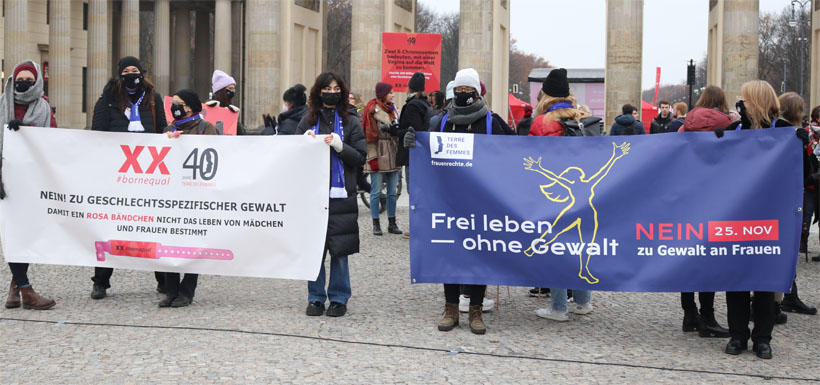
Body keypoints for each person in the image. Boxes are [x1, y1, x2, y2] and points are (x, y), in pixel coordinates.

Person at [405, 68, 511, 334]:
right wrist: (412, 142)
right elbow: (426, 147)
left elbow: (514, 151)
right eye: (460, 89)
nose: (463, 93)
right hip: (448, 200)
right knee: (449, 252)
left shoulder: (492, 121)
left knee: (479, 254)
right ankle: (450, 308)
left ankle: (476, 310)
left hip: (481, 200)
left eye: (469, 90)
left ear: (477, 92)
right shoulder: (441, 121)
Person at [289, 72, 366, 318]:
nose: (332, 92)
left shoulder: (352, 121)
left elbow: (360, 157)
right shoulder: (307, 119)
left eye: (336, 88)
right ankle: (315, 297)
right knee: (315, 249)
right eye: (327, 88)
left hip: (341, 194)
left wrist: (341, 146)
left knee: (339, 250)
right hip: (313, 194)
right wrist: (304, 142)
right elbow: (292, 153)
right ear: (319, 91)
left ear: (341, 92)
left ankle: (339, 298)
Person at [90, 56, 167, 300]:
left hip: (148, 173)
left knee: (153, 227)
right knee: (111, 228)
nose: (131, 74)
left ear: (142, 73)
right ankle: (101, 281)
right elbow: (97, 133)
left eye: (135, 70)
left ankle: (164, 280)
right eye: (126, 71)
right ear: (119, 75)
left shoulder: (153, 99)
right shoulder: (108, 99)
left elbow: (162, 130)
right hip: (117, 174)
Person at [524, 68, 598, 322]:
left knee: (556, 249)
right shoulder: (584, 118)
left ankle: (558, 307)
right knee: (579, 246)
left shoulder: (542, 123)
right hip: (585, 197)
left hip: (554, 198)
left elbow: (530, 157)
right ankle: (583, 301)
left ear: (545, 96)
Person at [722, 80, 788, 359]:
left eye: (745, 98)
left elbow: (802, 172)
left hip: (771, 216)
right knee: (736, 278)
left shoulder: (784, 130)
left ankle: (762, 338)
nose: (741, 102)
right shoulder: (734, 130)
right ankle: (737, 335)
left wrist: (800, 147)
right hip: (738, 215)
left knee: (764, 280)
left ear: (757, 100)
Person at [1, 60, 57, 310]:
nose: (24, 83)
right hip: (5, 180)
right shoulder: (2, 105)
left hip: (32, 180)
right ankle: (26, 290)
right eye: (20, 79)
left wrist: (28, 132)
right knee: (13, 234)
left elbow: (53, 140)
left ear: (37, 83)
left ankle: (15, 288)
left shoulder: (44, 108)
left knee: (26, 235)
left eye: (29, 80)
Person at [676, 85, 732, 338]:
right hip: (715, 199)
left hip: (686, 198)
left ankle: (689, 314)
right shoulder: (728, 125)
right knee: (709, 257)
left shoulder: (684, 126)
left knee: (688, 256)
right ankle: (707, 316)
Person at [158, 89, 219, 307]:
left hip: (196, 195)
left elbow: (216, 157)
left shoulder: (206, 128)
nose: (174, 107)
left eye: (179, 104)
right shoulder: (169, 129)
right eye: (173, 103)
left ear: (191, 107)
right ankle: (171, 290)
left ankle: (187, 290)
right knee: (169, 243)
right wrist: (168, 142)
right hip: (171, 194)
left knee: (193, 243)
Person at [778, 92, 817, 316]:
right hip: (787, 199)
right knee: (787, 248)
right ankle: (786, 297)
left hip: (782, 197)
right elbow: (804, 171)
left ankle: (786, 295)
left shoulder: (779, 130)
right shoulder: (793, 134)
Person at [363, 82, 402, 235]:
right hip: (378, 152)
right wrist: (372, 158)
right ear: (383, 94)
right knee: (376, 191)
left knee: (392, 191)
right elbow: (369, 136)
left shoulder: (393, 110)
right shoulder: (372, 110)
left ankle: (392, 223)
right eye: (390, 92)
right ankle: (376, 223)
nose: (393, 95)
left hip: (392, 152)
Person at [205, 69, 245, 135]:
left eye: (234, 88)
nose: (233, 91)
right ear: (221, 91)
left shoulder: (231, 108)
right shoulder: (208, 106)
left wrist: (235, 119)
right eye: (230, 88)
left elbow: (240, 134)